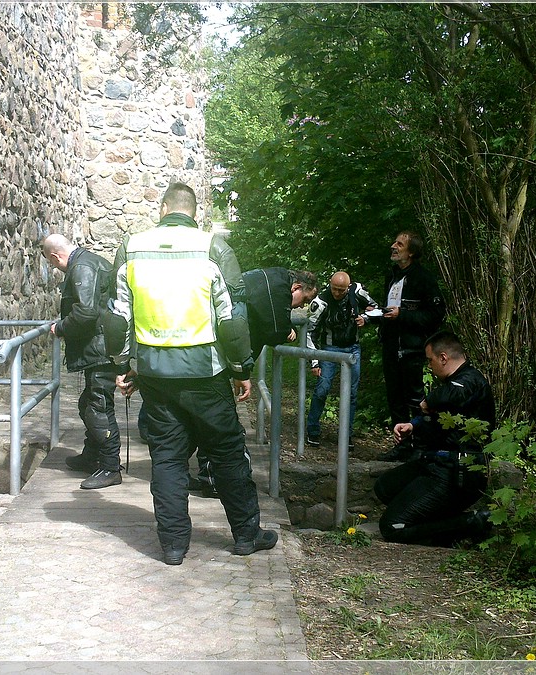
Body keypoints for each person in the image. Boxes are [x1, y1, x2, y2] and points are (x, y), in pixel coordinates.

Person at [110, 182, 277, 565]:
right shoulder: (212, 247)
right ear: (194, 211)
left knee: (167, 457)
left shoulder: (132, 247)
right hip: (206, 373)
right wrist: (241, 370)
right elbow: (232, 319)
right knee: (227, 453)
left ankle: (172, 546)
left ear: (163, 207)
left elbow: (118, 317)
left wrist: (125, 366)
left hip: (155, 374)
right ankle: (246, 536)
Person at [189, 267, 318, 496]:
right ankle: (212, 479)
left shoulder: (270, 279)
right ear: (296, 287)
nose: (299, 307)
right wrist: (285, 330)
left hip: (212, 354)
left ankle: (200, 474)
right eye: (303, 300)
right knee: (218, 423)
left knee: (206, 419)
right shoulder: (277, 288)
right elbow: (273, 330)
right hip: (218, 359)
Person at [373, 331, 495, 546]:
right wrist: (413, 425)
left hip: (457, 472)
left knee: (391, 527)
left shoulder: (471, 381)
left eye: (430, 360)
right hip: (435, 464)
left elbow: (448, 397)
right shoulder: (454, 380)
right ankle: (443, 522)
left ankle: (471, 523)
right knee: (385, 487)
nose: (429, 366)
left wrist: (428, 401)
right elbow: (439, 412)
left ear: (444, 358)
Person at [41, 234, 123, 490]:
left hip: (99, 349)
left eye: (53, 264)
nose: (56, 268)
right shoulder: (91, 261)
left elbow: (86, 312)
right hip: (100, 346)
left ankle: (110, 466)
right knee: (89, 402)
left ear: (55, 257)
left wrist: (61, 328)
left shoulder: (82, 267)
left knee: (98, 407)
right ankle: (92, 456)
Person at [373, 230, 445, 461]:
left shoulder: (424, 278)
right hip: (391, 346)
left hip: (413, 349)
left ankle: (421, 448)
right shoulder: (392, 275)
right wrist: (376, 315)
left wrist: (402, 315)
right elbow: (390, 309)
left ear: (411, 252)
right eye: (394, 242)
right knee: (394, 398)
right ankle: (402, 447)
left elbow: (435, 314)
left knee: (416, 400)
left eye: (399, 244)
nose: (393, 246)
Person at [303, 271, 379, 448]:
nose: (337, 293)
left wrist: (365, 318)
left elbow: (377, 309)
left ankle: (347, 435)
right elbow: (310, 332)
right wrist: (314, 362)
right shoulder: (320, 302)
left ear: (347, 288)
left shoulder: (357, 292)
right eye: (334, 289)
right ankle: (312, 431)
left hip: (353, 347)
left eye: (341, 290)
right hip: (330, 349)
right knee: (322, 389)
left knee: (351, 394)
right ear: (329, 285)